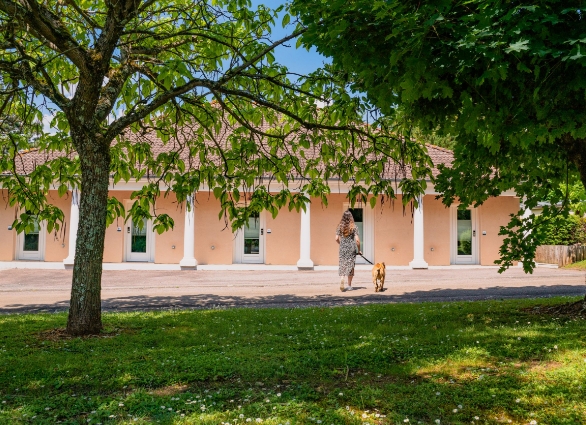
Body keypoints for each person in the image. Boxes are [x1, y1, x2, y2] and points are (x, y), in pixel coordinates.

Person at [335, 210, 361, 291]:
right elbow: (357, 240)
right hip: (351, 249)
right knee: (351, 266)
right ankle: (349, 285)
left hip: (342, 248)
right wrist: (359, 250)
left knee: (343, 264)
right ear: (351, 218)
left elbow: (336, 238)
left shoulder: (339, 227)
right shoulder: (354, 227)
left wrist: (341, 244)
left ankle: (342, 278)